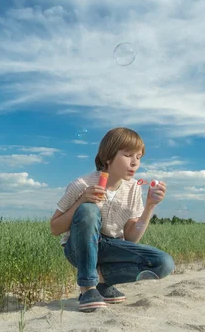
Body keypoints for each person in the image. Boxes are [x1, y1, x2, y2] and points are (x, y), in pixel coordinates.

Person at [50, 127, 175, 312]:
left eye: (139, 157)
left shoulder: (133, 189)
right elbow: (54, 228)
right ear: (108, 157)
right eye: (128, 155)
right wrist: (81, 201)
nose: (134, 163)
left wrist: (150, 205)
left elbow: (131, 238)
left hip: (111, 247)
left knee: (164, 263)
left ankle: (102, 282)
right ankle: (87, 289)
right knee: (88, 210)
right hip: (78, 248)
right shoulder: (82, 184)